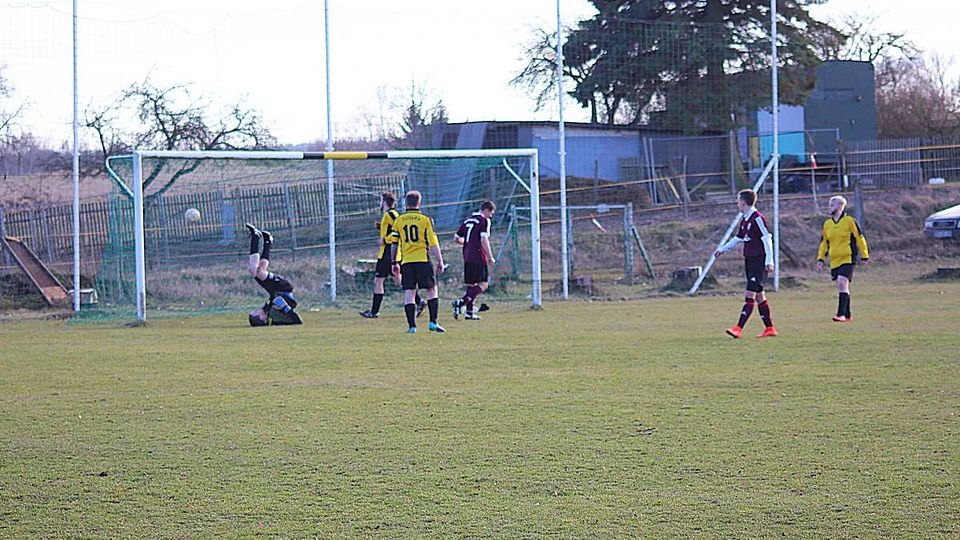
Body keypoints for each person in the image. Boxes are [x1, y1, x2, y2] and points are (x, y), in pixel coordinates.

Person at [714, 189, 778, 338]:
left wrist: (769, 261)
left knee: (750, 294)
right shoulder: (745, 219)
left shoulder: (757, 218)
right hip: (749, 259)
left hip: (759, 261)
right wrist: (723, 249)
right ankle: (770, 328)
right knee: (759, 296)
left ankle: (738, 328)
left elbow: (767, 238)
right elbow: (738, 237)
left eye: (738, 202)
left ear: (743, 203)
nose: (737, 204)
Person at [360, 191, 425, 319]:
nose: (380, 203)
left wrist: (385, 240)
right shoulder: (389, 215)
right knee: (398, 280)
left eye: (381, 201)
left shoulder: (391, 214)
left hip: (388, 252)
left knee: (379, 280)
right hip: (389, 252)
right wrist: (381, 227)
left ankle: (374, 312)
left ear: (385, 202)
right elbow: (393, 228)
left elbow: (399, 229)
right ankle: (419, 301)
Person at [389, 190, 446, 334]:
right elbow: (433, 243)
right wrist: (440, 261)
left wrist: (394, 262)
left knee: (410, 292)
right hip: (422, 260)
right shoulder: (425, 220)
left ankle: (412, 326)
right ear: (419, 203)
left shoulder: (399, 220)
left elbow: (394, 244)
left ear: (406, 203)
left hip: (407, 261)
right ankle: (433, 322)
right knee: (431, 289)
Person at [817, 195, 870, 322]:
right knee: (842, 286)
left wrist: (865, 255)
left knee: (842, 282)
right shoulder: (827, 224)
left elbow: (859, 237)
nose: (829, 208)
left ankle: (840, 314)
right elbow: (824, 243)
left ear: (840, 206)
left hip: (848, 258)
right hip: (834, 260)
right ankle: (847, 314)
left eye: (832, 205)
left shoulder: (849, 221)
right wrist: (820, 259)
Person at [245, 223, 302, 326]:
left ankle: (267, 241)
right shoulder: (275, 317)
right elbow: (297, 321)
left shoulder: (268, 310)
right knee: (256, 271)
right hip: (283, 289)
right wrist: (285, 307)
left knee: (256, 271)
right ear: (262, 318)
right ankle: (256, 237)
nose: (256, 310)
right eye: (255, 313)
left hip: (274, 291)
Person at [452, 200, 496, 320]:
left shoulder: (468, 220)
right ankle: (460, 303)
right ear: (486, 210)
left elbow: (456, 238)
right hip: (478, 255)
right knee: (483, 284)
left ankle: (469, 313)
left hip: (467, 256)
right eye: (491, 213)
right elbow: (484, 239)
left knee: (472, 285)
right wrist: (490, 257)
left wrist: (468, 244)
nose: (491, 216)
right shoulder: (484, 221)